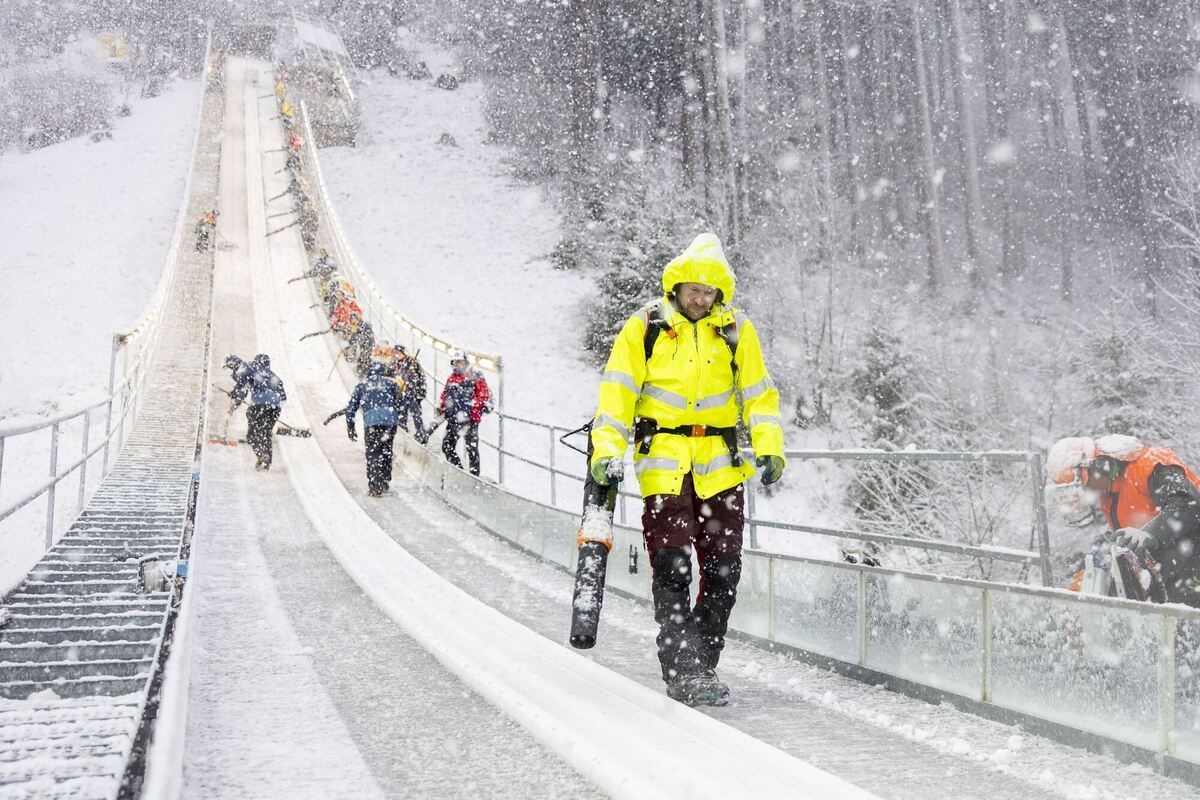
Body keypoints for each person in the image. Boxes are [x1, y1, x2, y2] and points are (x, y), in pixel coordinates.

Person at [587, 232, 785, 706]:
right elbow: (616, 394)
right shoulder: (646, 326)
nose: (700, 298)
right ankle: (682, 667)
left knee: (724, 572)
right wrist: (605, 450)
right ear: (676, 286)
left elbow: (759, 393)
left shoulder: (736, 330)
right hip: (664, 464)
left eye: (709, 291)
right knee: (673, 566)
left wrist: (770, 444)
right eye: (693, 289)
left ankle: (699, 663)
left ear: (720, 293)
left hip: (721, 466)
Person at [1047, 434, 1200, 607]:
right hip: (1168, 569)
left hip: (1192, 559)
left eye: (1083, 483)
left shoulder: (1149, 464)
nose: (1085, 491)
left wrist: (1149, 535)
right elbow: (1126, 551)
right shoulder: (1111, 497)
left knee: (1181, 616)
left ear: (1098, 466)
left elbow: (1189, 505)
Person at [346, 360, 401, 497]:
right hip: (390, 422)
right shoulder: (391, 383)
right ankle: (384, 480)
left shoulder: (362, 386)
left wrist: (350, 427)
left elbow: (351, 408)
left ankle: (375, 486)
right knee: (386, 450)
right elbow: (401, 400)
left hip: (372, 423)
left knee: (373, 453)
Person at [436, 349, 491, 476]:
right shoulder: (452, 378)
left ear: (466, 362)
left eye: (460, 361)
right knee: (447, 446)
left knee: (471, 449)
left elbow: (483, 396)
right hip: (454, 419)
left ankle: (474, 477)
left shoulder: (475, 375)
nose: (457, 364)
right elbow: (445, 395)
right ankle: (459, 472)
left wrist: (471, 410)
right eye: (455, 362)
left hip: (470, 420)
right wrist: (443, 407)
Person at [230, 354, 287, 471]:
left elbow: (242, 382)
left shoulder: (253, 368)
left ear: (256, 361)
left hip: (259, 405)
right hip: (275, 408)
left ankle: (260, 453)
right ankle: (266, 462)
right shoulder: (273, 376)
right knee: (266, 433)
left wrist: (235, 392)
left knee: (253, 434)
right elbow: (283, 397)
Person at [393, 345, 428, 443]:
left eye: (399, 353)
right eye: (396, 353)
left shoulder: (412, 362)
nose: (397, 355)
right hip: (402, 393)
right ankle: (402, 433)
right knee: (401, 414)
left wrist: (419, 391)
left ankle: (421, 435)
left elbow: (419, 377)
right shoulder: (396, 363)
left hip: (412, 393)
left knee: (416, 415)